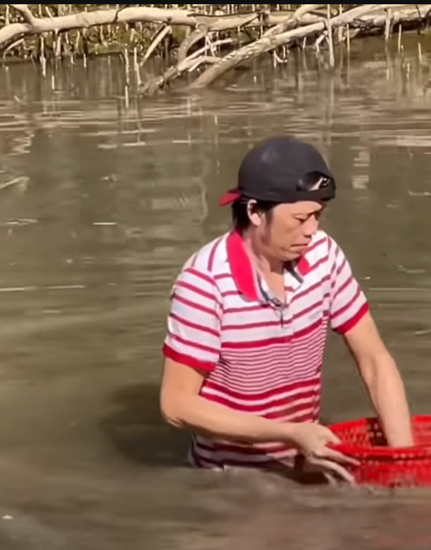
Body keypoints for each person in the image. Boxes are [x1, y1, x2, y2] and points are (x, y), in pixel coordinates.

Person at [158, 135, 414, 484]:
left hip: (308, 460)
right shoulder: (205, 283)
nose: (312, 231)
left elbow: (374, 360)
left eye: (318, 215)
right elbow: (176, 405)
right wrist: (289, 432)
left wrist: (405, 461)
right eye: (300, 218)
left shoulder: (324, 256)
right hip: (231, 481)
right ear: (255, 211)